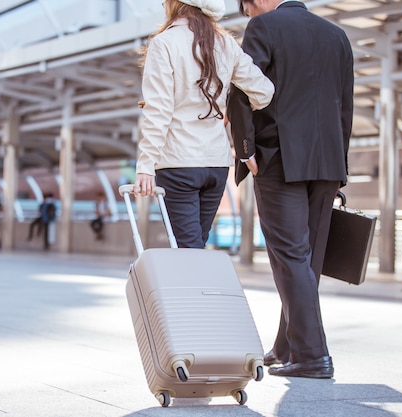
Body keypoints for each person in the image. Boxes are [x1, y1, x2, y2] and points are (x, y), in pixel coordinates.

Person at [227, 0, 354, 379]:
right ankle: (287, 347)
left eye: (247, 7)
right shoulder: (338, 35)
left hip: (278, 156)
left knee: (290, 258)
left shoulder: (264, 27)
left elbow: (240, 88)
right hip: (327, 161)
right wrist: (340, 164)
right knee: (306, 260)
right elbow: (344, 105)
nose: (249, 15)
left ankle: (313, 357)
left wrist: (245, 149)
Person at [132, 0, 274, 249]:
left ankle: (192, 288)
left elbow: (159, 110)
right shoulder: (225, 43)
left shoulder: (165, 43)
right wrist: (229, 105)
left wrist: (145, 165)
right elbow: (263, 92)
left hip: (178, 163)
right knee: (196, 246)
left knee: (187, 250)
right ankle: (199, 288)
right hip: (216, 164)